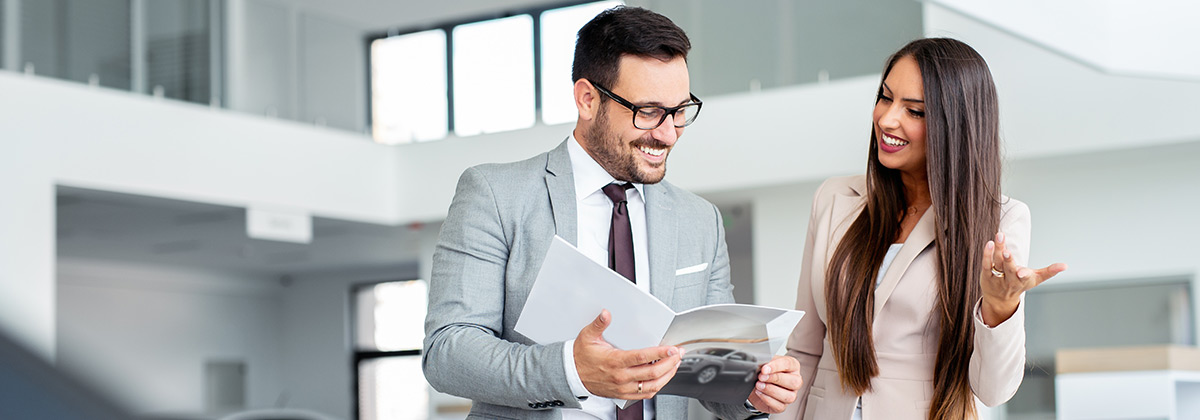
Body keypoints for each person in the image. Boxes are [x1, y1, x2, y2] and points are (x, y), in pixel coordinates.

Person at [422, 6, 801, 420]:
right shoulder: (495, 195)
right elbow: (448, 351)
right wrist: (572, 370)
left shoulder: (700, 221)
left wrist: (753, 390)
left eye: (679, 111)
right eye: (649, 111)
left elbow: (711, 382)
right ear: (588, 99)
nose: (668, 133)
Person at [778, 38, 1068, 420]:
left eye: (914, 111)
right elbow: (804, 350)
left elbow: (993, 389)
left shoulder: (1000, 220)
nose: (886, 119)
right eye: (885, 97)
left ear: (957, 126)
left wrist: (1001, 309)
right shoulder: (834, 198)